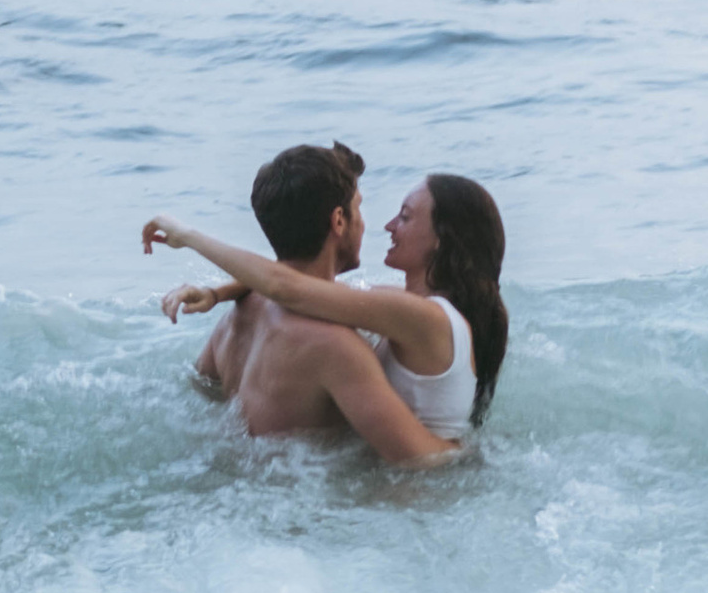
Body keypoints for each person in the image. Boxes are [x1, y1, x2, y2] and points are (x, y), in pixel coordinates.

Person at [143, 142, 508, 462]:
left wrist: (203, 260)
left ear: (440, 240)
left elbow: (287, 287)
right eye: (361, 209)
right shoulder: (341, 342)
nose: (385, 225)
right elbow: (291, 287)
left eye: (406, 216)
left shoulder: (236, 321)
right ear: (339, 221)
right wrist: (219, 288)